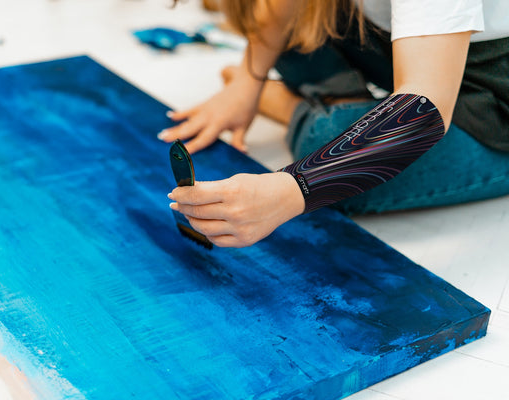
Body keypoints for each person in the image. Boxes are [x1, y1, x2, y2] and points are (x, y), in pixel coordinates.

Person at [161, 0, 509, 248]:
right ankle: (350, 113)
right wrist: (247, 82)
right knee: (304, 23)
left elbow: (424, 106)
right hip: (421, 55)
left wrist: (292, 189)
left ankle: (294, 107)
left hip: (494, 103)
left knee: (327, 156)